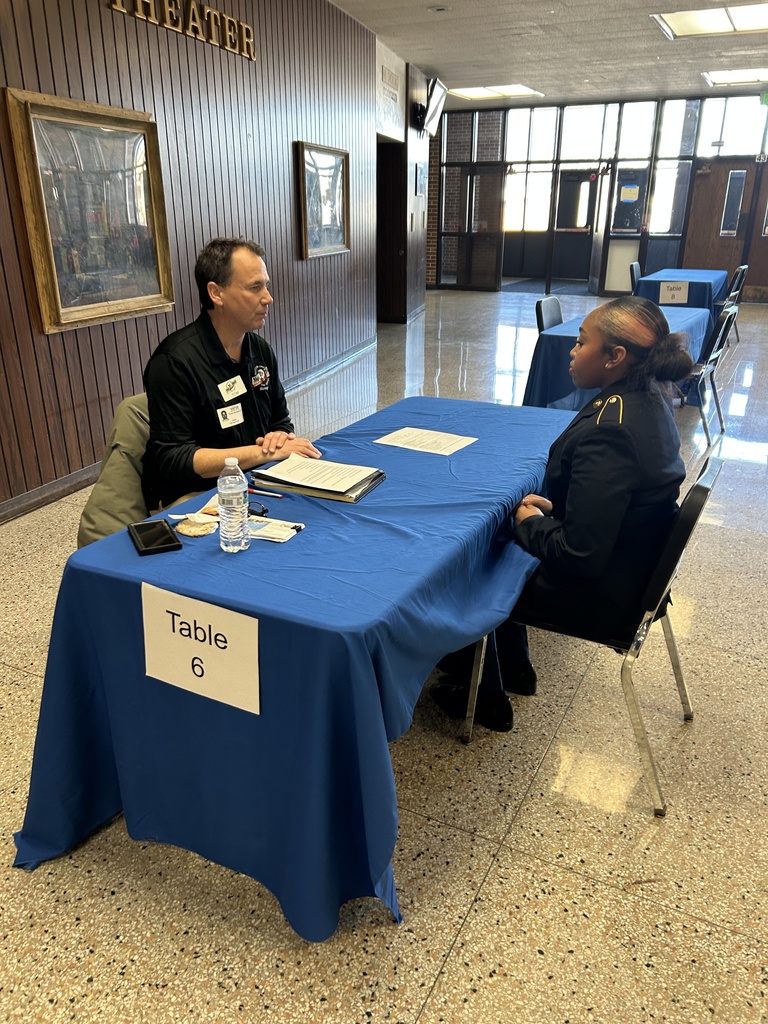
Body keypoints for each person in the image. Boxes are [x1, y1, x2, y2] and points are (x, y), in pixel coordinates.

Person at [432, 296, 695, 732]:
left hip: (604, 595)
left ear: (615, 357)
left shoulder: (611, 432)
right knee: (501, 540)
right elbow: (616, 507)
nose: (572, 351)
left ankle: (482, 698)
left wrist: (529, 524)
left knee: (470, 565)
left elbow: (580, 553)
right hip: (633, 568)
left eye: (581, 342)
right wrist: (552, 514)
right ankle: (514, 669)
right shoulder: (649, 400)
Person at [142, 238, 321, 510]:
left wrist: (278, 437)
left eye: (266, 285)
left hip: (257, 480)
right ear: (216, 293)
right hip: (197, 496)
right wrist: (262, 452)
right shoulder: (174, 362)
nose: (268, 298)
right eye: (254, 287)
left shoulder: (260, 350)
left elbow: (281, 421)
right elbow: (174, 458)